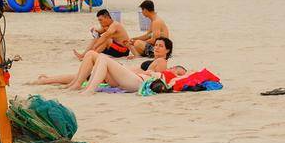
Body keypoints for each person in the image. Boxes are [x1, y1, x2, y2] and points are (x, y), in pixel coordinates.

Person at [34, 37, 181, 93]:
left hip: (131, 79)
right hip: (123, 76)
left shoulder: (161, 61)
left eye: (160, 46)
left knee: (102, 58)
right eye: (155, 45)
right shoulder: (155, 60)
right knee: (91, 54)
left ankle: (87, 89)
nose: (156, 48)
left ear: (167, 50)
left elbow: (151, 78)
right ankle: (74, 83)